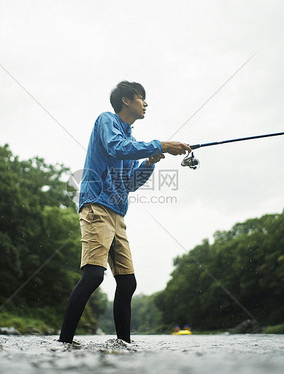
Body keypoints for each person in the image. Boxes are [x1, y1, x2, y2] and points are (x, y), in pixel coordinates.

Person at [59, 81, 191, 343]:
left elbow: (130, 183)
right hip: (96, 206)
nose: (146, 104)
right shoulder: (106, 120)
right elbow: (115, 147)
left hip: (118, 214)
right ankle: (64, 343)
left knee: (128, 283)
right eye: (142, 98)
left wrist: (150, 163)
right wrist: (161, 145)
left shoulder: (130, 138)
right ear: (127, 100)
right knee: (94, 276)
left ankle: (124, 345)